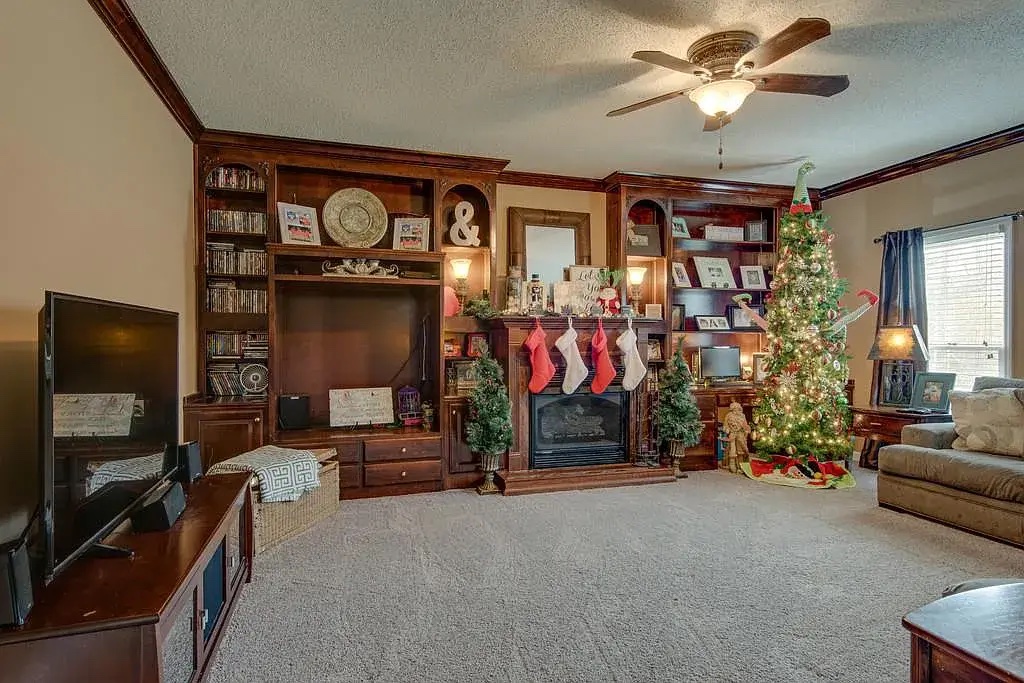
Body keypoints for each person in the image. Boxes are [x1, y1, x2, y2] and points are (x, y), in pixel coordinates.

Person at [722, 402, 751, 474]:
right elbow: (725, 425)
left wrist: (746, 430)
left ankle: (741, 465)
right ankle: (732, 464)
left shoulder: (742, 416)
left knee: (740, 450)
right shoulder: (728, 415)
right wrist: (727, 429)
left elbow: (745, 425)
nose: (736, 411)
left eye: (737, 409)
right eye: (734, 409)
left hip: (740, 434)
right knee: (732, 449)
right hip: (732, 434)